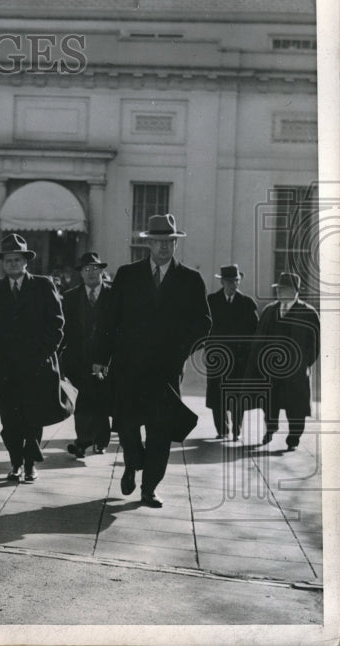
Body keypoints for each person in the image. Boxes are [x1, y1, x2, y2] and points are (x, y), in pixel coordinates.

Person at [93, 213, 211, 508]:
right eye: (158, 242)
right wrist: (100, 358)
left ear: (175, 244)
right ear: (149, 244)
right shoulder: (127, 275)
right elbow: (109, 319)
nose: (163, 247)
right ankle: (132, 463)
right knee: (129, 425)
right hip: (128, 366)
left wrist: (181, 351)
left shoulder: (190, 280)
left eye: (168, 242)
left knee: (160, 430)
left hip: (166, 370)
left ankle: (150, 488)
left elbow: (204, 323)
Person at [0, 234, 64, 484]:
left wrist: (45, 351)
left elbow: (57, 323)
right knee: (10, 418)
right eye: (8, 260)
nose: (13, 264)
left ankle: (29, 464)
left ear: (26, 261)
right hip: (5, 367)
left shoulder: (43, 285)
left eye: (18, 259)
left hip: (36, 365)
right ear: (3, 263)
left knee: (32, 416)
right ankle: (15, 462)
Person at [246, 273, 320, 450]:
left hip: (296, 371)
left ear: (295, 291)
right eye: (278, 289)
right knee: (270, 403)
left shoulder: (308, 313)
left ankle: (293, 439)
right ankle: (270, 430)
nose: (279, 292)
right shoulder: (270, 311)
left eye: (283, 289)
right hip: (271, 370)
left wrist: (304, 363)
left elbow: (316, 344)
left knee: (296, 408)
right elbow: (260, 338)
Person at [61, 252, 112, 459]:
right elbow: (63, 329)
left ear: (102, 271)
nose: (91, 273)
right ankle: (82, 443)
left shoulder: (114, 294)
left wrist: (108, 359)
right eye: (87, 270)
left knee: (101, 401)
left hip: (106, 359)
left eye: (95, 269)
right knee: (80, 401)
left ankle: (100, 441)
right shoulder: (71, 297)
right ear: (81, 273)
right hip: (78, 359)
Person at [205, 264, 259, 441]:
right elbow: (204, 327)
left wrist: (249, 354)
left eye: (235, 281)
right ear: (222, 282)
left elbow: (254, 331)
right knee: (217, 394)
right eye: (229, 281)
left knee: (237, 395)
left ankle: (236, 429)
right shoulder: (211, 301)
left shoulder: (247, 303)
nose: (232, 285)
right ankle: (222, 429)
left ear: (239, 281)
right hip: (217, 357)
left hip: (239, 358)